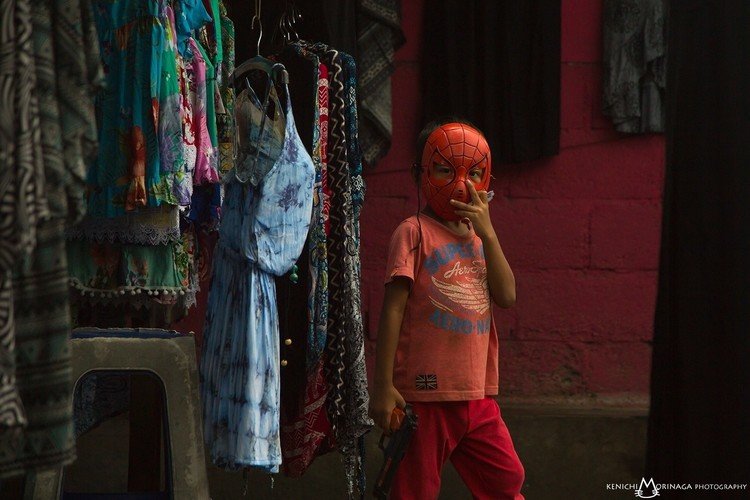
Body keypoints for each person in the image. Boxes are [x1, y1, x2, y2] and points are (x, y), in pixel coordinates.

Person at [370, 119, 525, 499]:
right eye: (444, 170)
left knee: (507, 479)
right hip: (424, 399)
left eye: (474, 173)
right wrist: (383, 387)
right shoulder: (413, 232)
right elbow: (392, 311)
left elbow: (506, 296)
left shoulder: (480, 239)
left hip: (477, 394)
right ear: (419, 174)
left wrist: (487, 232)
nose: (461, 184)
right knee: (415, 490)